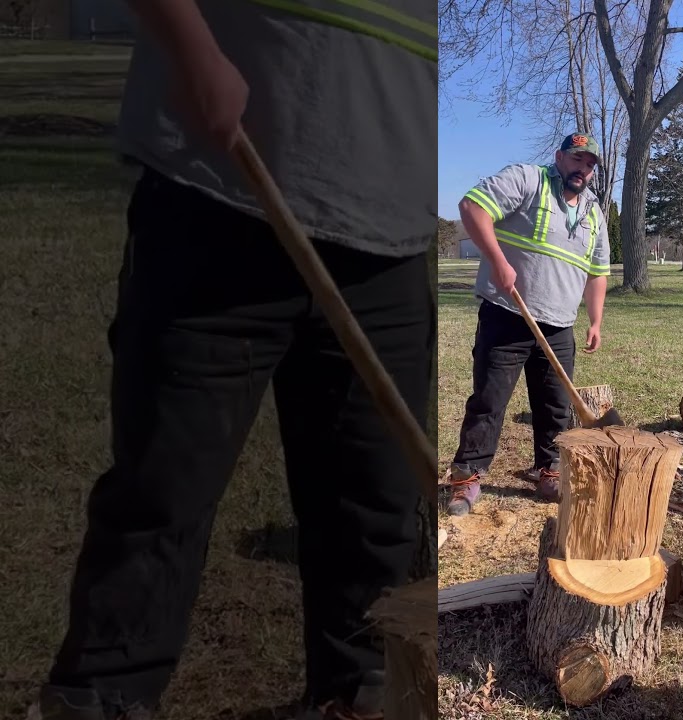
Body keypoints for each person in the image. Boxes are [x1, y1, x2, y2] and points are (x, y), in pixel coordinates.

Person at [31, 1, 436, 719]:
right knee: (161, 495)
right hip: (219, 196)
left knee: (376, 513)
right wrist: (190, 47)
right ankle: (101, 699)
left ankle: (356, 699)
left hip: (390, 245)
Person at [445, 133, 611, 517]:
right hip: (507, 314)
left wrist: (596, 320)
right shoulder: (527, 179)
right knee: (489, 400)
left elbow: (597, 271)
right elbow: (472, 207)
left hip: (560, 326)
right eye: (576, 159)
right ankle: (466, 477)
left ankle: (550, 469)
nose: (582, 169)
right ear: (559, 157)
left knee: (555, 405)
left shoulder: (593, 212)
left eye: (589, 164)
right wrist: (499, 261)